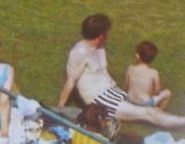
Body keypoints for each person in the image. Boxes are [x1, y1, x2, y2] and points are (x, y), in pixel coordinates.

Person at [56, 14, 185, 129]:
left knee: (148, 107)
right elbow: (70, 82)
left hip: (113, 92)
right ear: (101, 36)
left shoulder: (99, 48)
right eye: (106, 32)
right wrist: (60, 109)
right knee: (149, 113)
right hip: (101, 100)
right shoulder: (79, 52)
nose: (108, 35)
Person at [126, 41, 171, 110]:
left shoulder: (130, 68)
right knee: (168, 93)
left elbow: (127, 86)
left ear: (137, 56)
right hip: (144, 103)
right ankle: (156, 113)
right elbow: (157, 91)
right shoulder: (154, 72)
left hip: (130, 100)